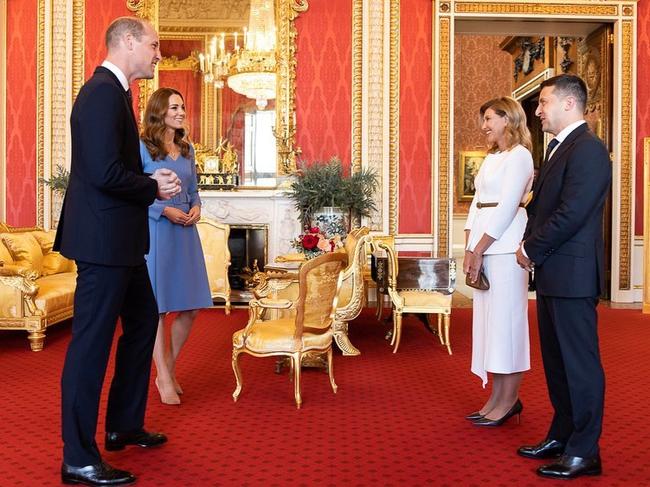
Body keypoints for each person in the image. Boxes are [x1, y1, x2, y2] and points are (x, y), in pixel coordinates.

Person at [54, 17, 181, 486]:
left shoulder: (116, 93)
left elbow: (113, 171)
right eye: (153, 45)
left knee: (144, 320)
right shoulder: (101, 94)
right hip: (104, 244)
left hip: (120, 242)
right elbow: (104, 173)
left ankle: (123, 424)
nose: (158, 54)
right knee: (90, 346)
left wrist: (152, 185)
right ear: (128, 42)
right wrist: (152, 187)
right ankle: (78, 458)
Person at [515, 74, 610, 480]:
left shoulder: (588, 149)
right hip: (554, 273)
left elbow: (571, 214)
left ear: (570, 105)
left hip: (572, 275)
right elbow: (541, 208)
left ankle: (585, 451)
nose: (537, 111)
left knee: (580, 365)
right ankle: (563, 434)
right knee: (556, 363)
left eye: (543, 102)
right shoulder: (558, 148)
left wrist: (529, 249)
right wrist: (528, 240)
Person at [463, 96, 534, 427]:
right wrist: (468, 248)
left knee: (508, 327)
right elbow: (478, 202)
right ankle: (495, 397)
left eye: (489, 118)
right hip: (482, 244)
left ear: (508, 119)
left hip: (504, 249)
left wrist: (480, 248)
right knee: (491, 327)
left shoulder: (520, 156)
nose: (484, 126)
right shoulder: (492, 158)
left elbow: (506, 208)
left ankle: (509, 401)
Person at [140, 87, 213, 405]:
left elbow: (194, 189)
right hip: (158, 230)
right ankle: (166, 378)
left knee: (190, 307)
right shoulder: (142, 148)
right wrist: (163, 209)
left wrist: (196, 208)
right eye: (174, 107)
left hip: (186, 231)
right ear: (160, 111)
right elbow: (135, 190)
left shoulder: (187, 148)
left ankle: (166, 369)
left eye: (183, 106)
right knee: (157, 307)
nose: (181, 111)